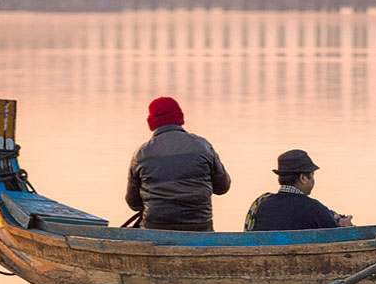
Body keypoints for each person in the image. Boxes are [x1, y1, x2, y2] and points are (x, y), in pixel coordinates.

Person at [125, 97, 231, 232]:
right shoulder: (202, 146)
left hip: (154, 228)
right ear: (180, 117)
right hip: (200, 228)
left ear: (151, 122)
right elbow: (223, 187)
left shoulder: (141, 154)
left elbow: (133, 203)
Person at [244, 149, 352, 232]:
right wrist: (346, 226)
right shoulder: (313, 208)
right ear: (303, 178)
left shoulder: (261, 203)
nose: (313, 181)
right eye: (312, 175)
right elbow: (336, 233)